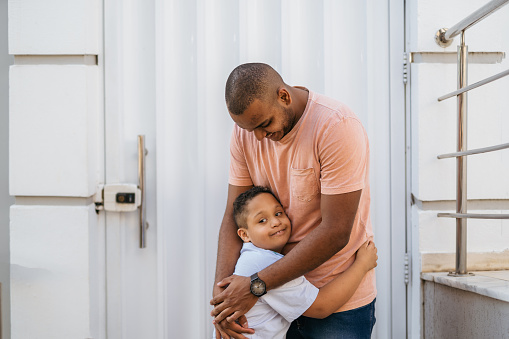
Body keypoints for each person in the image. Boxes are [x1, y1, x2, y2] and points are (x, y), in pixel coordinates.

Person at [211, 63, 376, 339]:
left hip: (335, 303)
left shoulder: (336, 126)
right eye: (249, 129)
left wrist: (255, 286)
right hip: (270, 303)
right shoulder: (246, 132)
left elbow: (336, 231)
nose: (259, 137)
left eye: (264, 125)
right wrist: (223, 303)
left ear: (284, 97)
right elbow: (233, 216)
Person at [215, 186, 377, 339]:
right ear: (244, 234)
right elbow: (322, 307)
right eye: (262, 220)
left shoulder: (250, 256)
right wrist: (362, 265)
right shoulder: (264, 262)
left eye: (278, 213)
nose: (275, 222)